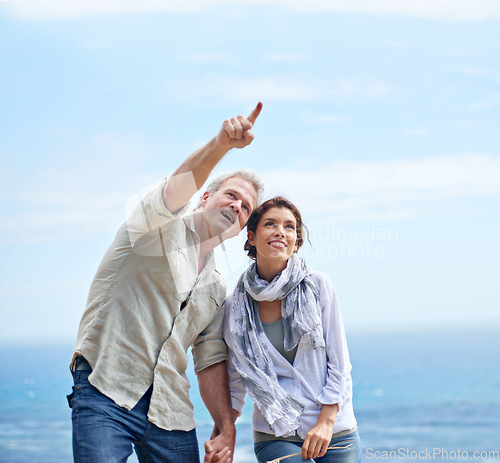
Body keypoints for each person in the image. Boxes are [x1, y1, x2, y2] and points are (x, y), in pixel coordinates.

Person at [67, 102, 264, 463]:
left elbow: (210, 357)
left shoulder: (218, 286)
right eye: (230, 195)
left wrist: (225, 425)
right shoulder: (153, 223)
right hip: (105, 386)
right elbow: (178, 185)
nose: (237, 206)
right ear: (205, 197)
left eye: (246, 208)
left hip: (169, 412)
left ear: (242, 229)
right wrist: (221, 144)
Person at [221, 197, 361, 463]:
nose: (280, 232)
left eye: (289, 227)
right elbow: (235, 379)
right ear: (251, 236)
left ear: (296, 242)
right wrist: (224, 432)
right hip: (275, 432)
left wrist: (326, 422)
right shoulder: (234, 305)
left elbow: (340, 364)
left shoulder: (318, 285)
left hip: (334, 429)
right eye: (270, 224)